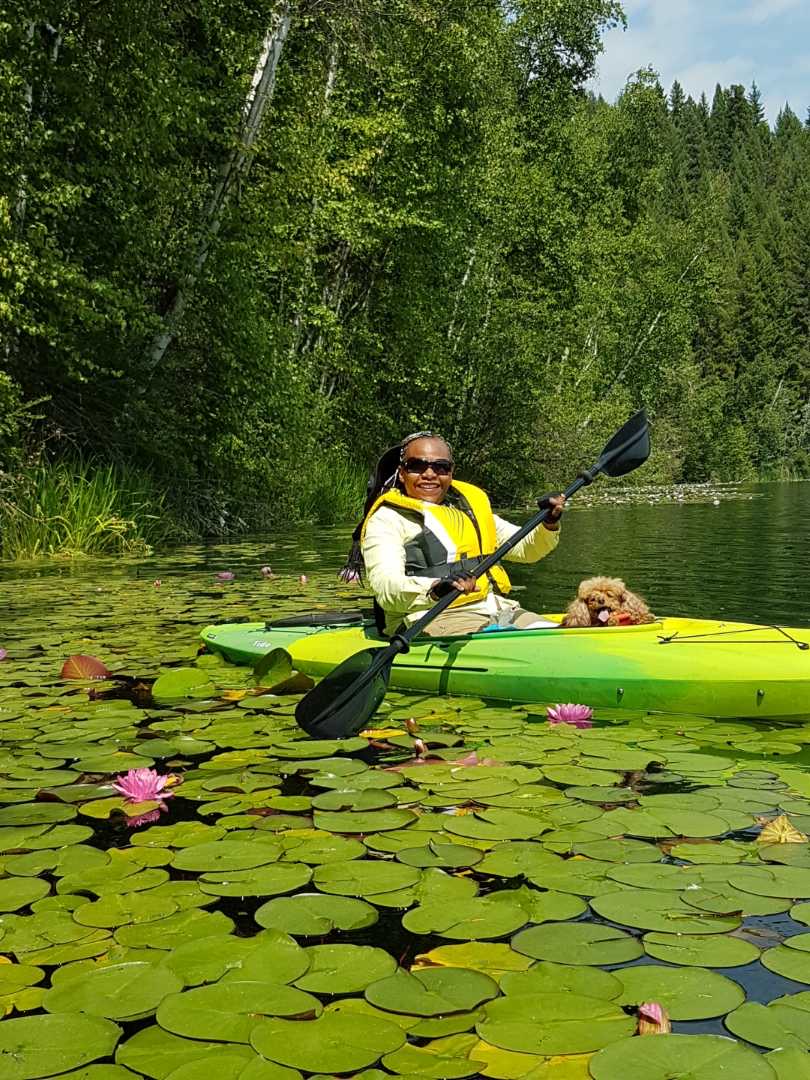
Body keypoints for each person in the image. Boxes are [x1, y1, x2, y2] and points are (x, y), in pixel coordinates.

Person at [339, 431, 565, 637]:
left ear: (451, 472)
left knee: (560, 635)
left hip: (495, 609)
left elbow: (527, 550)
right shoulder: (387, 520)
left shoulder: (468, 511)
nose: (429, 474)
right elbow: (387, 587)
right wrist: (436, 588)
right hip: (428, 617)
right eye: (417, 466)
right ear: (401, 473)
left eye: (441, 467)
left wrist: (549, 522)